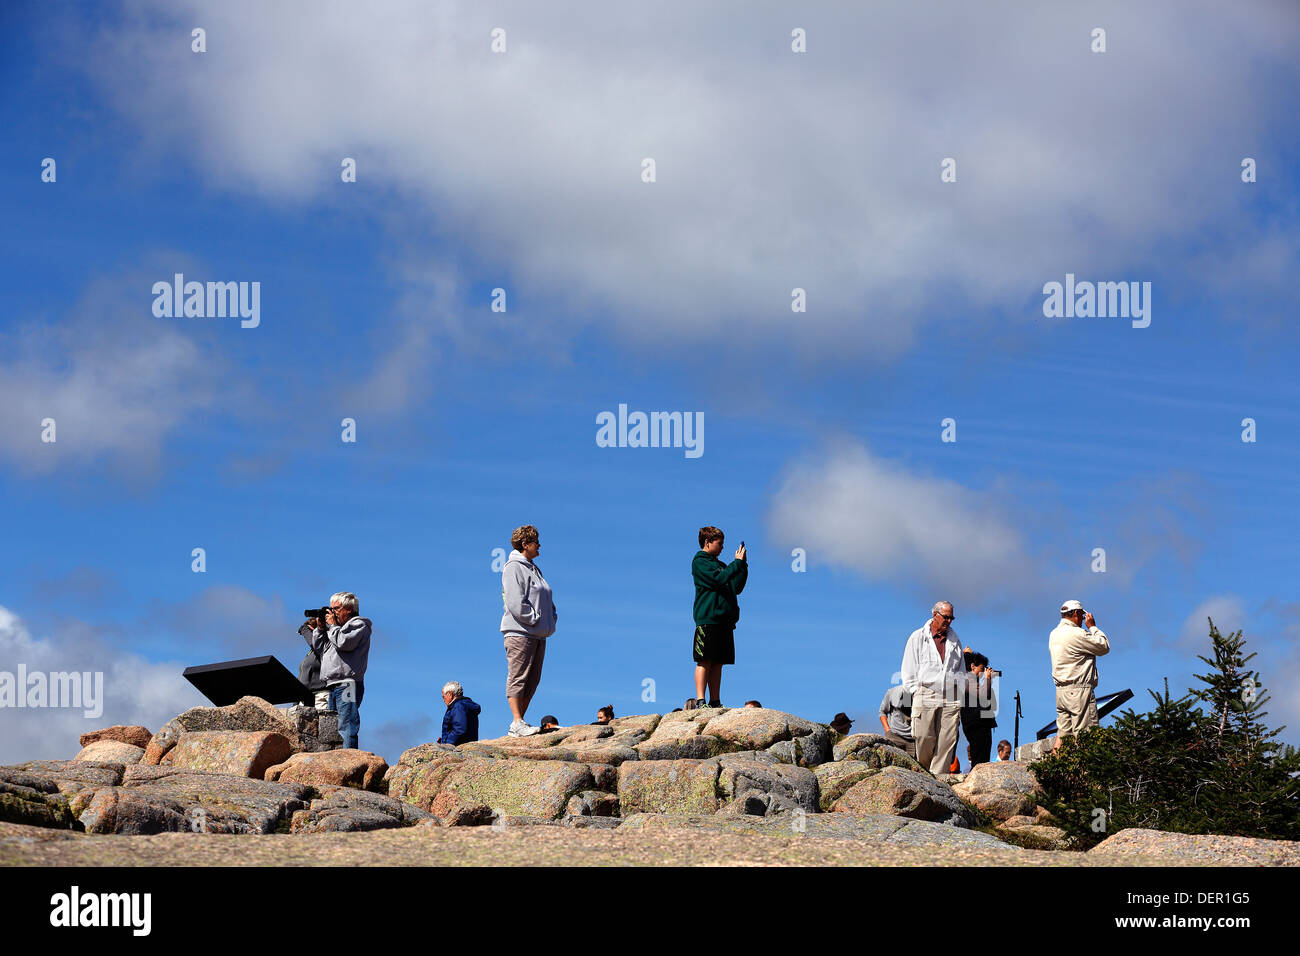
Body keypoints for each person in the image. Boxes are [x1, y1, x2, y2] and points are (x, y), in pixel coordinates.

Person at [500, 525, 557, 737]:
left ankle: (519, 723)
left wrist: (551, 617)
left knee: (533, 679)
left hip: (538, 633)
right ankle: (516, 721)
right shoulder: (513, 567)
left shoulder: (534, 568)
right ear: (525, 544)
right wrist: (534, 619)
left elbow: (545, 598)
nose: (539, 545)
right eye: (536, 542)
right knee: (518, 676)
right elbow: (515, 602)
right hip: (520, 632)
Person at [900, 600, 966, 775]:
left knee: (947, 740)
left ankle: (938, 779)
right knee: (923, 737)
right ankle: (923, 774)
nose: (949, 621)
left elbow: (961, 670)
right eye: (946, 617)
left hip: (950, 695)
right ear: (935, 614)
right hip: (926, 692)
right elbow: (908, 668)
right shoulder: (918, 637)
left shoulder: (955, 640)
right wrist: (916, 692)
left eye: (952, 618)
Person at [305, 591, 371, 750]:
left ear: (349, 609)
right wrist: (320, 629)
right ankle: (336, 760)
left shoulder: (359, 625)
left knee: (346, 725)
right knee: (332, 727)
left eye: (337, 608)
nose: (333, 612)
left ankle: (349, 760)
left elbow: (344, 643)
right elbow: (321, 648)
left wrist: (333, 626)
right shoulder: (335, 629)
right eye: (331, 608)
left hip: (347, 683)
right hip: (332, 684)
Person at [692, 526, 748, 709]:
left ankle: (715, 700)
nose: (723, 547)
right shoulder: (700, 562)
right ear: (707, 542)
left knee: (718, 662)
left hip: (724, 621)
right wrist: (736, 564)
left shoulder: (722, 565)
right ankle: (701, 700)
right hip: (708, 618)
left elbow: (736, 587)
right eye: (720, 543)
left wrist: (742, 565)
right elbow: (718, 579)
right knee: (704, 659)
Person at [1049, 600, 1110, 749]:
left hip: (1061, 692)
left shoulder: (1054, 634)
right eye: (1082, 616)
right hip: (1079, 691)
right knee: (1086, 737)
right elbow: (1103, 647)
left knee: (1064, 737)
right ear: (1076, 613)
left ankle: (1055, 771)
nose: (1083, 620)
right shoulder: (1077, 634)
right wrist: (1093, 627)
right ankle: (1085, 772)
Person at [960, 649, 998, 767]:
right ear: (972, 667)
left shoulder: (970, 679)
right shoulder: (967, 680)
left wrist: (967, 654)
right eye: (982, 669)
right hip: (977, 724)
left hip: (979, 723)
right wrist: (987, 679)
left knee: (982, 756)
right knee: (980, 758)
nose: (983, 672)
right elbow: (983, 696)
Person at [437, 681, 481, 745]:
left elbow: (459, 729)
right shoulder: (463, 705)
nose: (443, 700)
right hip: (466, 745)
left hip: (459, 747)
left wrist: (446, 744)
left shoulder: (458, 707)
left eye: (443, 696)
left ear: (450, 694)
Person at [876, 687, 916, 757]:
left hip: (913, 739)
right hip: (895, 736)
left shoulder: (923, 694)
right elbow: (882, 711)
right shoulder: (893, 692)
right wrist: (887, 730)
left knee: (914, 766)